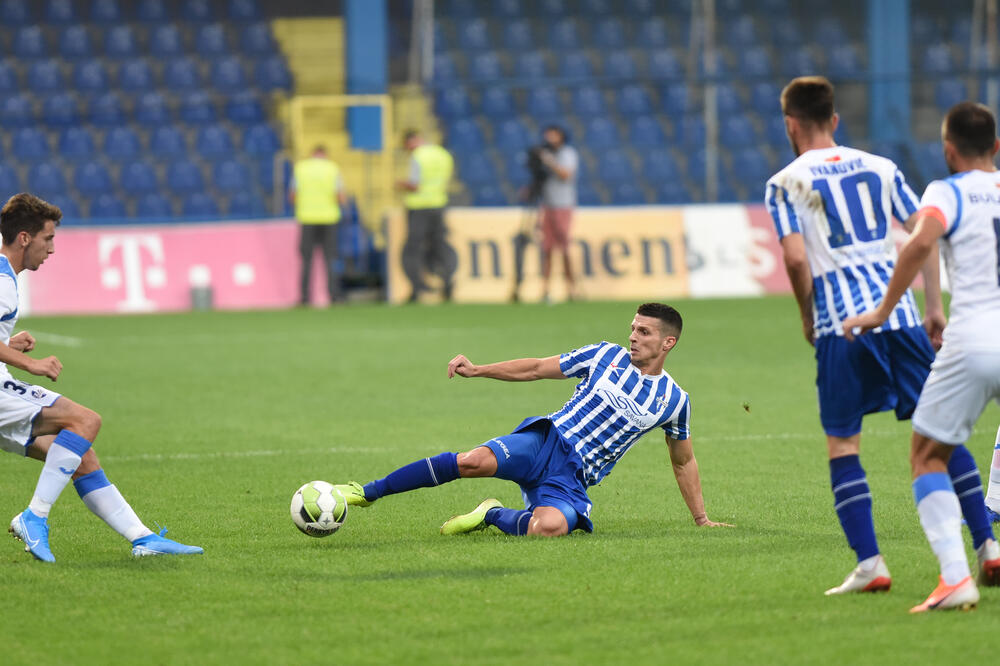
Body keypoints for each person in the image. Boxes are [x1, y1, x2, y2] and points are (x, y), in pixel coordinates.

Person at [765, 77, 995, 596]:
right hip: (902, 321)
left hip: (841, 327)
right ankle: (987, 545)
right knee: (940, 433)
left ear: (790, 124)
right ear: (836, 120)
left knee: (844, 444)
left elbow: (797, 257)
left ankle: (871, 563)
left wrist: (807, 314)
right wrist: (933, 306)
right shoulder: (881, 166)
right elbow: (923, 236)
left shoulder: (785, 181)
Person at [333, 303, 732, 536]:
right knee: (471, 461)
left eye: (643, 332)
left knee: (549, 529)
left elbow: (683, 461)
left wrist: (701, 519)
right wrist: (479, 369)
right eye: (632, 328)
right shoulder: (603, 355)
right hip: (545, 441)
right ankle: (366, 492)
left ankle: (489, 514)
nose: (632, 336)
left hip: (572, 478)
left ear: (668, 342)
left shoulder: (674, 401)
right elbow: (538, 368)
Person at [843, 102, 1000, 612]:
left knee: (928, 455)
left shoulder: (946, 192)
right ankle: (986, 550)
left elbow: (919, 243)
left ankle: (956, 578)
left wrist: (884, 309)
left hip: (976, 338)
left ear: (949, 150)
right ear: (996, 148)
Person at [1, 193, 202, 562]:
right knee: (85, 421)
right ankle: (34, 517)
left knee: (80, 453)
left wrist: (8, 343)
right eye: (48, 239)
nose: (52, 250)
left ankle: (142, 538)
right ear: (25, 237)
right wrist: (30, 364)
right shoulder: (2, 280)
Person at [397, 129, 456, 303]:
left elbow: (415, 185)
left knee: (412, 249)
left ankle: (416, 289)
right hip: (438, 204)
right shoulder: (443, 154)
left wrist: (401, 184)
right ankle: (448, 284)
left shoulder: (419, 156)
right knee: (441, 246)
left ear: (411, 141)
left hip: (419, 207)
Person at [290, 145, 347, 306]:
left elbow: (293, 196)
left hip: (307, 218)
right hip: (329, 219)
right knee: (330, 259)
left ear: (312, 154)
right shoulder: (332, 168)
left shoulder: (301, 168)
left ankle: (305, 298)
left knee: (306, 260)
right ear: (325, 154)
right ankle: (334, 296)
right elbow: (340, 196)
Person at [537, 125, 579, 303]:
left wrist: (549, 162)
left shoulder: (567, 154)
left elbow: (565, 175)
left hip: (563, 205)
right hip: (547, 205)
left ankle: (571, 289)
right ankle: (545, 289)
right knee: (547, 248)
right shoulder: (544, 154)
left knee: (564, 247)